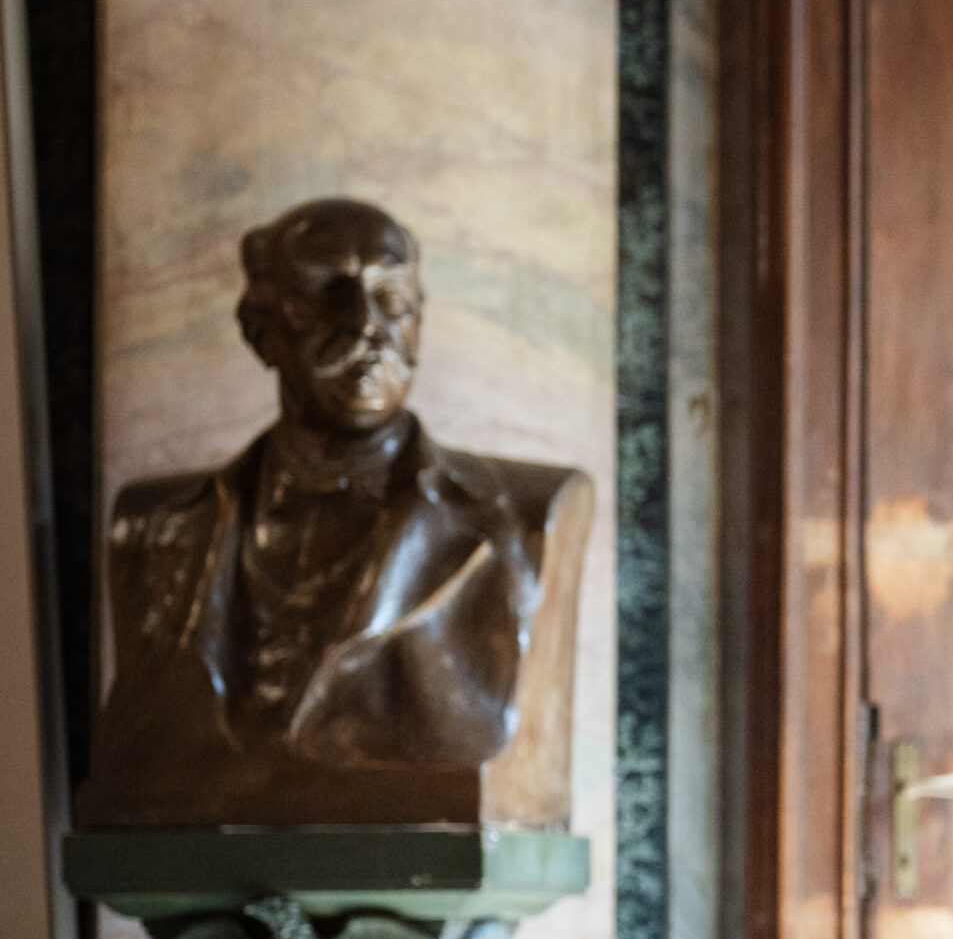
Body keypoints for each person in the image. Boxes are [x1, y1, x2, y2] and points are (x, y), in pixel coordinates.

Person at [77, 196, 591, 830]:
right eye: (327, 294)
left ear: (420, 320)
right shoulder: (153, 526)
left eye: (392, 298)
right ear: (260, 331)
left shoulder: (527, 514)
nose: (366, 326)